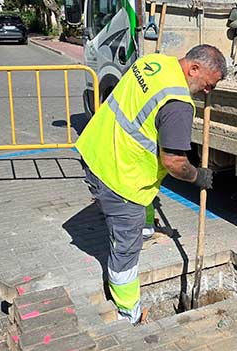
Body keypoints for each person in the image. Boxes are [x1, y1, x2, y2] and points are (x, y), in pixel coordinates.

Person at [76, 44, 227, 325]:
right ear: (194, 68)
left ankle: (144, 229)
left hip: (95, 150)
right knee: (125, 251)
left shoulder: (154, 62)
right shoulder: (178, 104)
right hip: (120, 178)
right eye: (208, 84)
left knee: (149, 197)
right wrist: (197, 176)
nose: (208, 92)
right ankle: (128, 313)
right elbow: (173, 162)